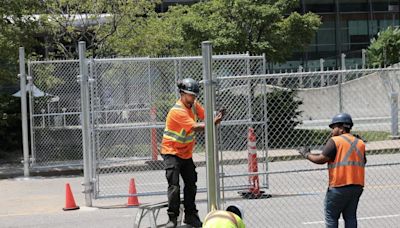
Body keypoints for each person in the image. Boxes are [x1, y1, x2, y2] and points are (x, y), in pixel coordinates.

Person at [161, 78, 225, 228]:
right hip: (171, 152)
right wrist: (213, 122)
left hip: (186, 153)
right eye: (191, 95)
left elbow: (206, 116)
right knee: (174, 186)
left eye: (195, 95)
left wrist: (217, 116)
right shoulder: (177, 111)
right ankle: (173, 218)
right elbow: (195, 127)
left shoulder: (194, 106)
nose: (193, 98)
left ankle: (191, 215)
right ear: (182, 94)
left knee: (191, 184)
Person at [298, 113, 366, 228]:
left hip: (339, 187)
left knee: (331, 218)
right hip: (357, 187)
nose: (332, 131)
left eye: (333, 127)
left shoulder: (335, 141)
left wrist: (306, 154)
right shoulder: (360, 143)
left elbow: (321, 159)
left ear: (341, 128)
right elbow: (363, 161)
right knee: (350, 217)